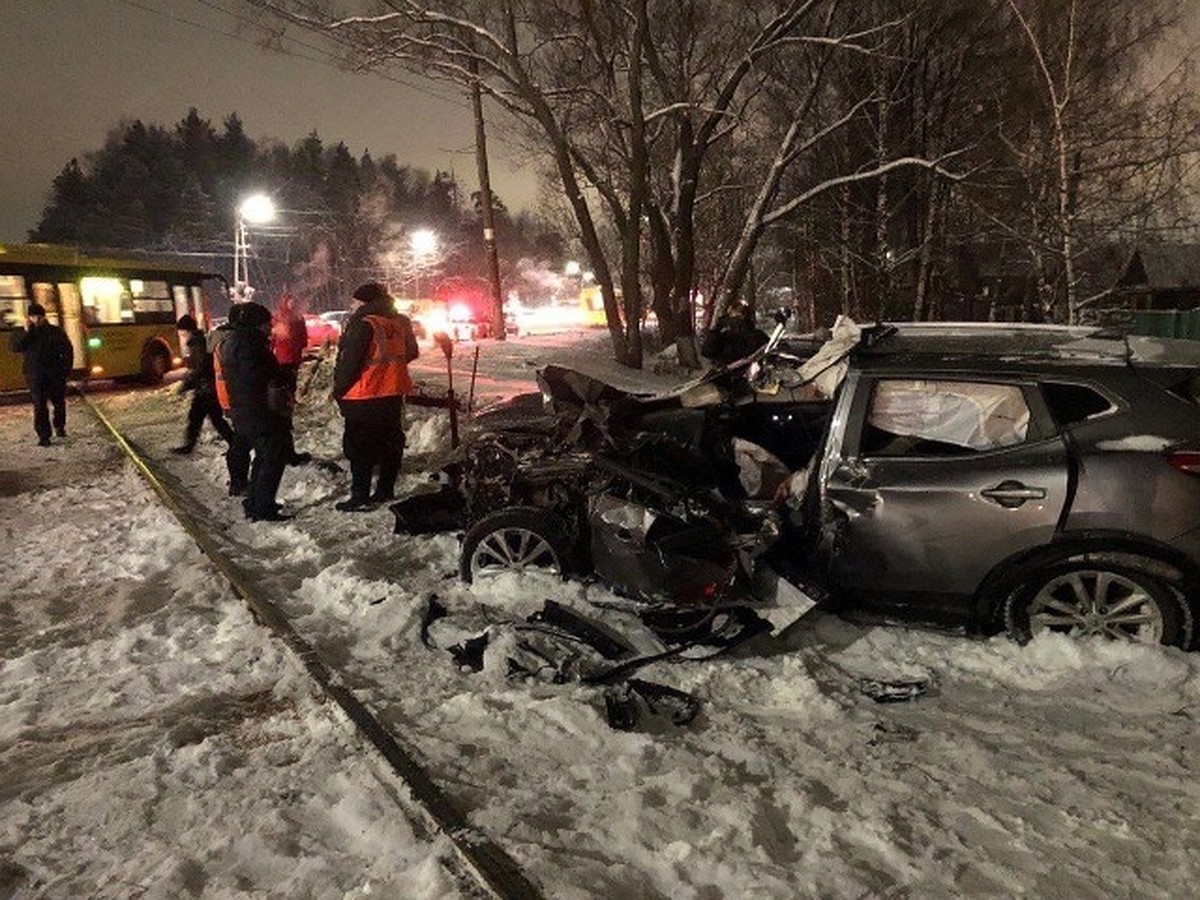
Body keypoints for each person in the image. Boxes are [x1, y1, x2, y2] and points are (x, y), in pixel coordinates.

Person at [332, 282, 419, 511]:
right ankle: (385, 490)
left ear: (364, 302)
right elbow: (411, 352)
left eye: (355, 301)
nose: (353, 305)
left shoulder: (364, 324)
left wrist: (338, 390)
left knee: (360, 448)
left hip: (363, 394)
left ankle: (360, 496)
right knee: (390, 442)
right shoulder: (400, 321)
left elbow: (349, 364)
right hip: (392, 392)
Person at [220, 301, 293, 522]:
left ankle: (255, 502)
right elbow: (255, 376)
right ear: (256, 324)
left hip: (246, 409)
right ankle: (262, 508)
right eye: (266, 324)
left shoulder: (236, 341)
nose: (270, 328)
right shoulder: (249, 344)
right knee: (272, 457)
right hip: (258, 410)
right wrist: (281, 375)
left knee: (264, 456)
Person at [9, 301, 74, 446]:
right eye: (32, 317)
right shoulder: (23, 332)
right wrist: (27, 332)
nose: (36, 319)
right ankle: (44, 436)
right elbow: (15, 347)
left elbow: (68, 350)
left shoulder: (55, 331)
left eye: (38, 316)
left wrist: (66, 369)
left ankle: (59, 426)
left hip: (55, 374)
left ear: (44, 317)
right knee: (39, 406)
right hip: (35, 376)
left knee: (58, 402)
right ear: (28, 318)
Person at [171, 314, 236, 455]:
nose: (181, 336)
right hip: (206, 387)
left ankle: (189, 447)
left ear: (187, 331)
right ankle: (233, 444)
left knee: (201, 418)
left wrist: (186, 385)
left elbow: (200, 368)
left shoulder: (197, 344)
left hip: (206, 389)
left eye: (182, 333)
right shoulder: (199, 341)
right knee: (209, 419)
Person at [269, 292, 312, 466]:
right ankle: (285, 403)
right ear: (284, 301)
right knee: (283, 383)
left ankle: (290, 400)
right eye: (290, 300)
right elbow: (273, 337)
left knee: (292, 381)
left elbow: (303, 336)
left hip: (293, 357)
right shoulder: (278, 316)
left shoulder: (297, 317)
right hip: (282, 358)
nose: (292, 303)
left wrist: (300, 348)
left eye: (294, 300)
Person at [701, 300, 769, 367]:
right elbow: (707, 352)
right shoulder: (724, 336)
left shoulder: (757, 335)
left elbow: (707, 352)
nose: (735, 322)